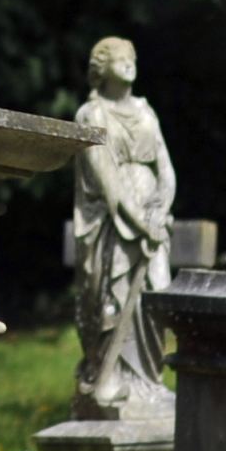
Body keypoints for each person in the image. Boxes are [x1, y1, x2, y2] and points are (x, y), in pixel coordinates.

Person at [66, 34, 178, 413]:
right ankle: (108, 376)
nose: (129, 61)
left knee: (156, 293)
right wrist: (141, 223)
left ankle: (148, 378)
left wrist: (160, 212)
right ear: (101, 67)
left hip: (151, 216)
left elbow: (166, 170)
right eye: (119, 57)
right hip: (114, 224)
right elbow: (109, 183)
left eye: (132, 55)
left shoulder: (146, 112)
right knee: (113, 297)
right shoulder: (91, 115)